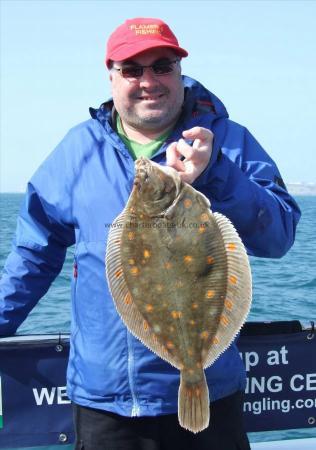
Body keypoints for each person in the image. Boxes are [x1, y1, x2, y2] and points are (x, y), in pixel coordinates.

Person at [0, 17, 301, 450]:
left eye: (162, 66)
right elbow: (33, 255)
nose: (148, 81)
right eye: (132, 69)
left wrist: (215, 173)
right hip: (107, 403)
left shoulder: (225, 143)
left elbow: (280, 237)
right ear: (111, 76)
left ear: (180, 72)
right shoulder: (77, 150)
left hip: (213, 393)